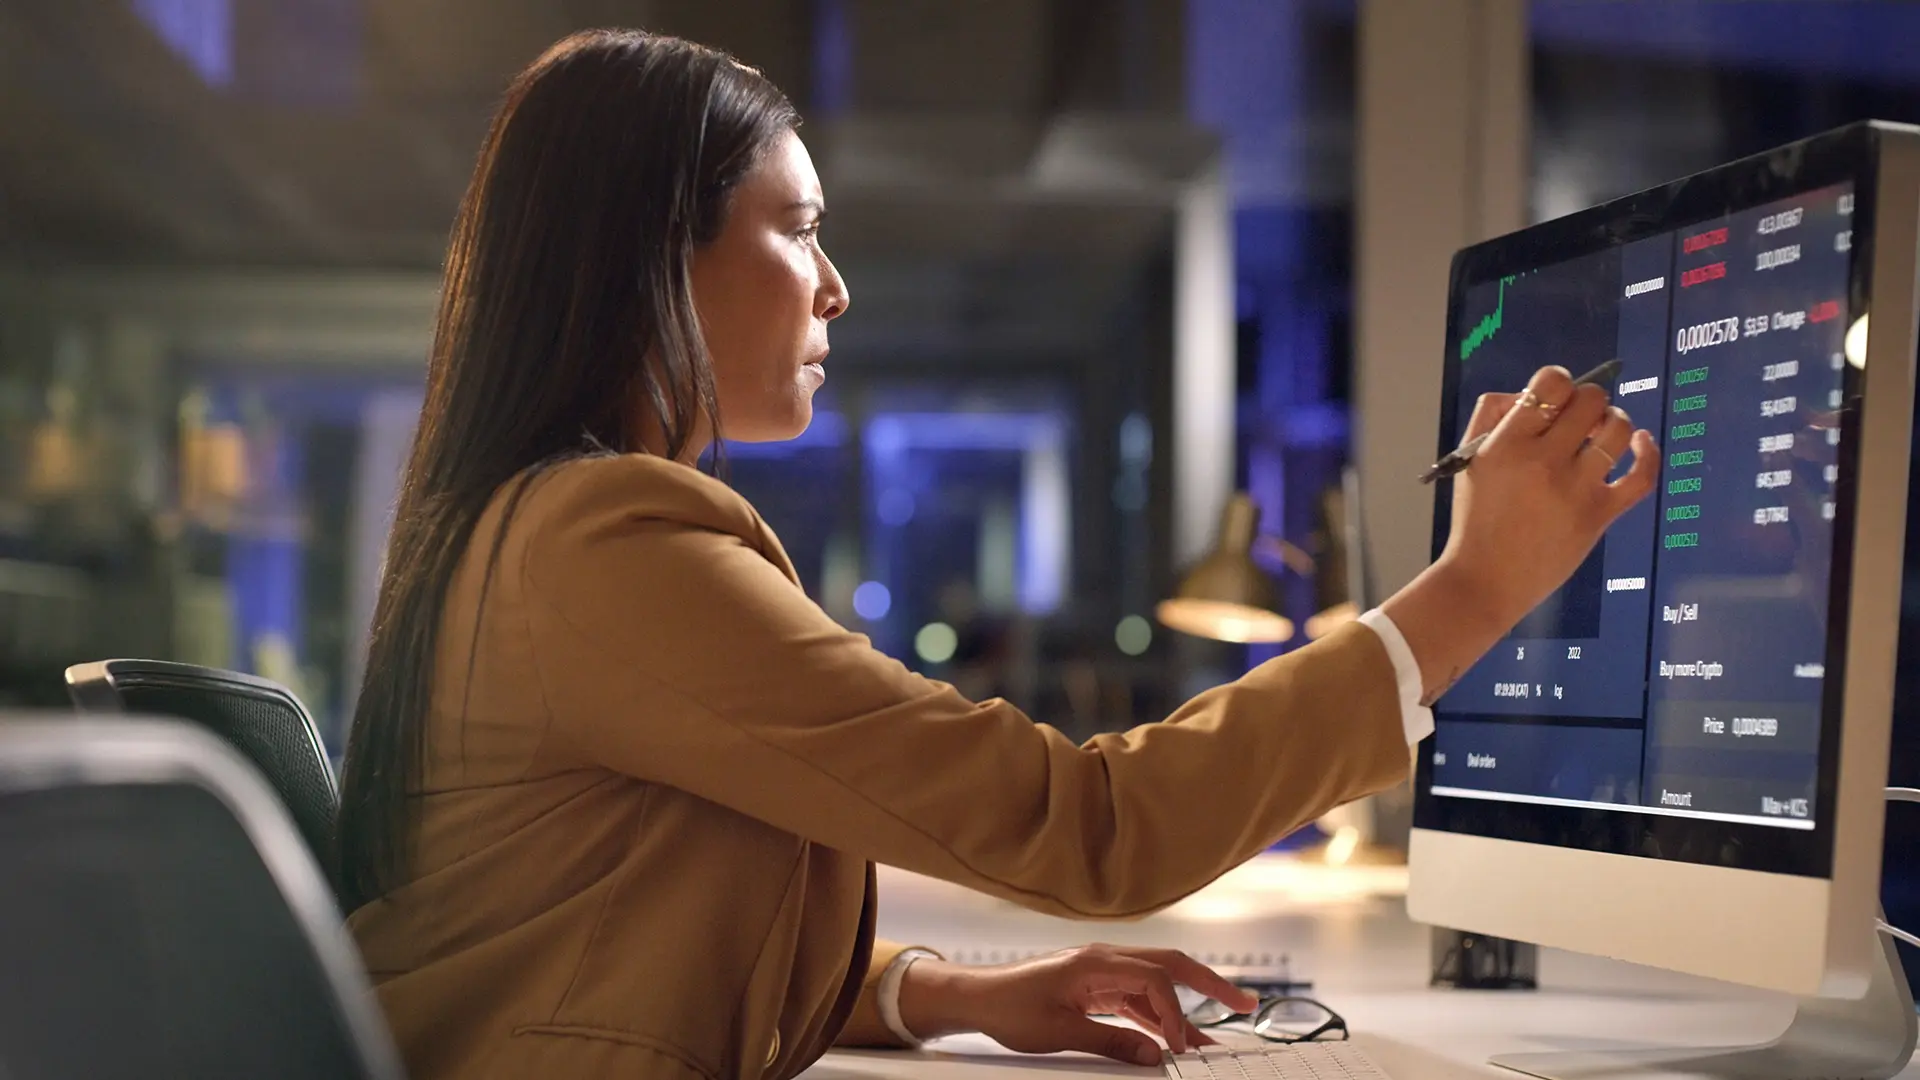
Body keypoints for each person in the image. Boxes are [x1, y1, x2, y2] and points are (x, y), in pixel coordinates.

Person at [335, 29, 1658, 1080]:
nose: (835, 283)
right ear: (650, 261)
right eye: (796, 227)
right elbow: (1094, 830)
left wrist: (956, 993)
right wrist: (1477, 589)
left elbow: (596, 944)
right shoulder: (604, 545)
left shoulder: (522, 530)